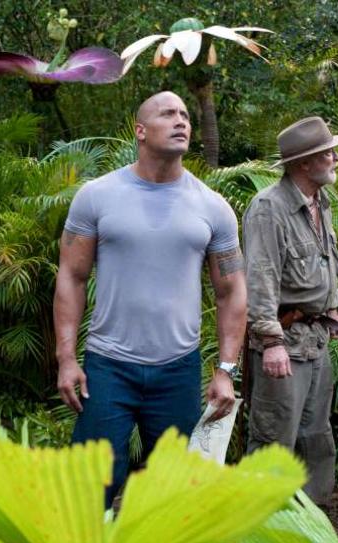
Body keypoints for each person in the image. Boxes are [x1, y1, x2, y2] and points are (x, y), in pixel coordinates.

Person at [54, 91, 247, 506]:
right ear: (140, 131)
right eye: (168, 114)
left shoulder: (213, 207)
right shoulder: (97, 196)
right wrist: (66, 358)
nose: (181, 121)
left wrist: (226, 370)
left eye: (185, 115)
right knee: (91, 486)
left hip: (178, 370)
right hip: (108, 366)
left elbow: (232, 292)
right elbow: (71, 276)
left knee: (172, 494)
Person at [242, 116, 338, 504]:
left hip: (315, 340)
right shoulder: (269, 208)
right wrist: (271, 342)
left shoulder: (320, 203)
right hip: (284, 343)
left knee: (316, 436)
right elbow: (261, 276)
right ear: (304, 163)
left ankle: (311, 521)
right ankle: (260, 523)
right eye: (328, 153)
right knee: (274, 438)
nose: (336, 158)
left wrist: (331, 308)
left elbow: (322, 263)